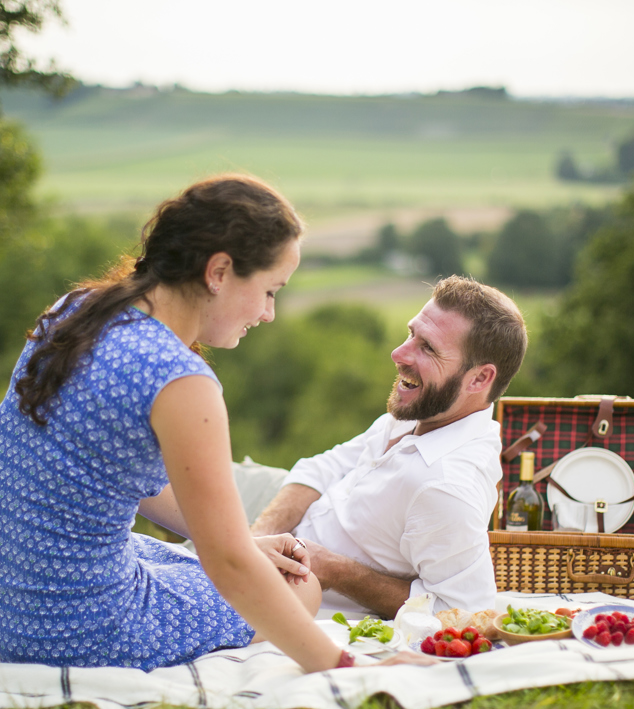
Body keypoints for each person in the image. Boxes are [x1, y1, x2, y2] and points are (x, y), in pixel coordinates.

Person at [0, 174, 433, 673]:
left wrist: (242, 542)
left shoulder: (76, 311)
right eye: (270, 290)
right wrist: (347, 667)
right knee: (300, 584)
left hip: (14, 600)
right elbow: (229, 567)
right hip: (71, 629)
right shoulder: (179, 379)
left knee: (237, 558)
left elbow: (104, 474)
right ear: (219, 272)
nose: (269, 313)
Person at [251, 276, 527, 619]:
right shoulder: (425, 410)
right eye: (412, 333)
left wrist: (333, 569)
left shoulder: (447, 487)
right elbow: (324, 467)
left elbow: (461, 611)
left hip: (289, 603)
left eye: (428, 347)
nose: (399, 353)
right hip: (269, 547)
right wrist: (256, 541)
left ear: (480, 379)